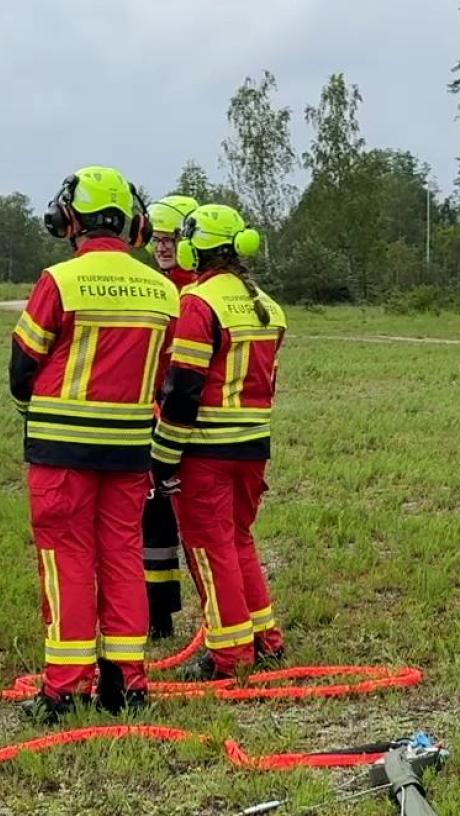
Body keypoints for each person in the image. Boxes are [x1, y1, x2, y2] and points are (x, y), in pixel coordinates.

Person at [10, 166, 177, 721]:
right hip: (130, 450)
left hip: (61, 452)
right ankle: (126, 682)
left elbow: (21, 370)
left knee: (68, 561)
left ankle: (66, 688)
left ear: (70, 218)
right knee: (123, 556)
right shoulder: (162, 289)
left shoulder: (59, 282)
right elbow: (164, 376)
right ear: (132, 222)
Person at [151, 204, 287, 679]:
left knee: (211, 548)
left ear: (196, 247)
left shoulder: (199, 302)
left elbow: (183, 387)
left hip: (206, 449)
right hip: (253, 446)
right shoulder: (267, 305)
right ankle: (265, 638)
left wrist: (164, 456)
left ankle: (230, 655)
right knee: (239, 540)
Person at [136, 193, 201, 640]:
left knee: (193, 518)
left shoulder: (193, 292)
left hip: (181, 413)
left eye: (170, 238)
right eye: (157, 239)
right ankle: (157, 611)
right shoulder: (153, 284)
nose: (161, 247)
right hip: (150, 409)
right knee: (152, 517)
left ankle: (223, 614)